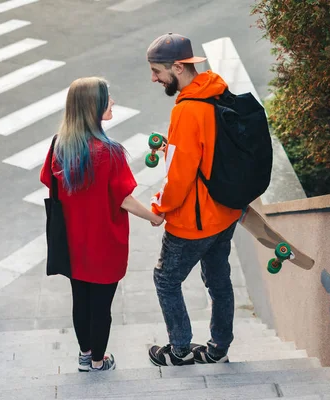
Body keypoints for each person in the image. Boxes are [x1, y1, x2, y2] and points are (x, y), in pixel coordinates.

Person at [39, 77, 164, 372]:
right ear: (93, 106)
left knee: (79, 300)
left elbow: (49, 182)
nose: (113, 102)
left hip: (72, 243)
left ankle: (84, 355)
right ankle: (98, 361)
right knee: (101, 307)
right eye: (108, 98)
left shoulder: (59, 146)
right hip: (105, 243)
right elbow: (124, 199)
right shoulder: (109, 152)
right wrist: (154, 216)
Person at [145, 33, 243, 366]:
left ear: (177, 67)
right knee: (219, 280)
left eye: (157, 71)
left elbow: (180, 176)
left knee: (165, 280)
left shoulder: (186, 112)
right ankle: (218, 349)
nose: (154, 78)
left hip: (194, 222)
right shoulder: (217, 91)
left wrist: (159, 207)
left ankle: (181, 350)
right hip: (226, 211)